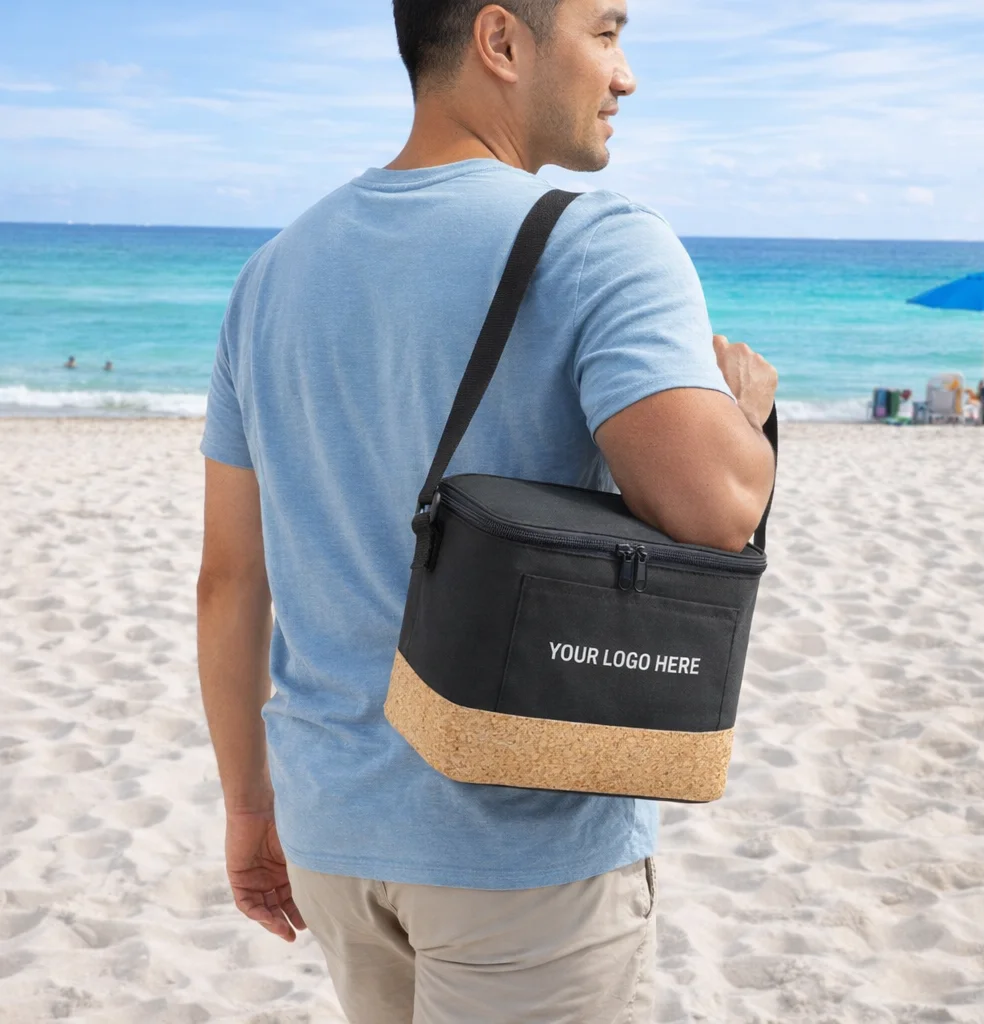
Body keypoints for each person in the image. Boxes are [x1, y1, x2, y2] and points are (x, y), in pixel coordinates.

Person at [197, 2, 778, 1021]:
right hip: (521, 844)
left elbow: (231, 580)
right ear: (501, 42)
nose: (626, 74)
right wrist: (745, 415)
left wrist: (249, 806)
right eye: (604, 32)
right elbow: (716, 510)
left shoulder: (270, 274)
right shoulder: (603, 244)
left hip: (333, 831)